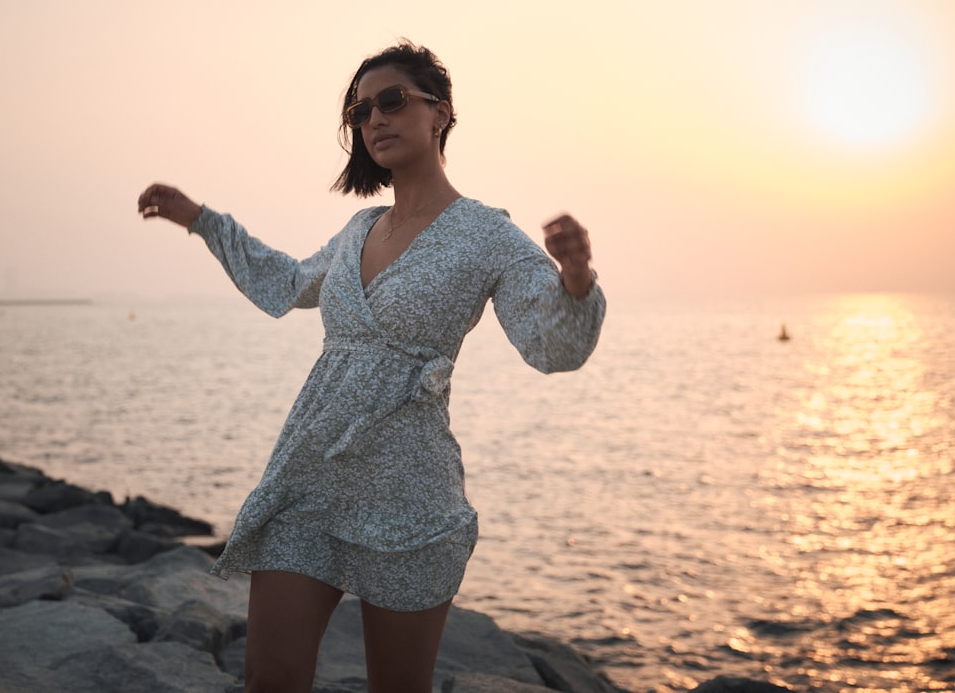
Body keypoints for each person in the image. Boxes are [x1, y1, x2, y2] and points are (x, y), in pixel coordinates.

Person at [137, 41, 605, 693]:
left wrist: (576, 279)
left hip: (409, 493)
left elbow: (552, 346)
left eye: (391, 100)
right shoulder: (358, 228)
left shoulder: (487, 234)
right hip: (307, 477)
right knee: (269, 677)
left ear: (440, 113)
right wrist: (202, 221)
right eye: (359, 111)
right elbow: (288, 283)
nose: (373, 119)